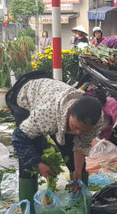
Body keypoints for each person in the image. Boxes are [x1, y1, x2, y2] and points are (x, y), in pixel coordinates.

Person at [7, 74, 104, 202]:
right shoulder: (47, 116)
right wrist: (39, 164)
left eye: (83, 130)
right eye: (75, 127)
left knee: (70, 153)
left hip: (51, 97)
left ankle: (80, 200)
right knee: (31, 155)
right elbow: (19, 138)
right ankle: (29, 208)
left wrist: (77, 171)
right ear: (69, 111)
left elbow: (81, 144)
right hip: (25, 95)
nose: (78, 132)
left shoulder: (96, 121)